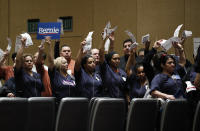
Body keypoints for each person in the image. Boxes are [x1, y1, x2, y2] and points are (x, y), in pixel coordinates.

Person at [46, 37, 76, 101]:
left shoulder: (71, 77)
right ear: (58, 65)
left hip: (72, 103)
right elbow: (51, 61)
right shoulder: (55, 75)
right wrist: (49, 46)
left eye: (66, 63)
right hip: (59, 104)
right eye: (64, 63)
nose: (66, 64)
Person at [99, 33, 128, 99]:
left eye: (118, 59)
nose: (117, 60)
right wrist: (103, 39)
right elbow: (101, 53)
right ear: (109, 61)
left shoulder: (122, 72)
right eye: (115, 59)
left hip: (121, 102)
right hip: (108, 102)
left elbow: (125, 89)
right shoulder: (106, 69)